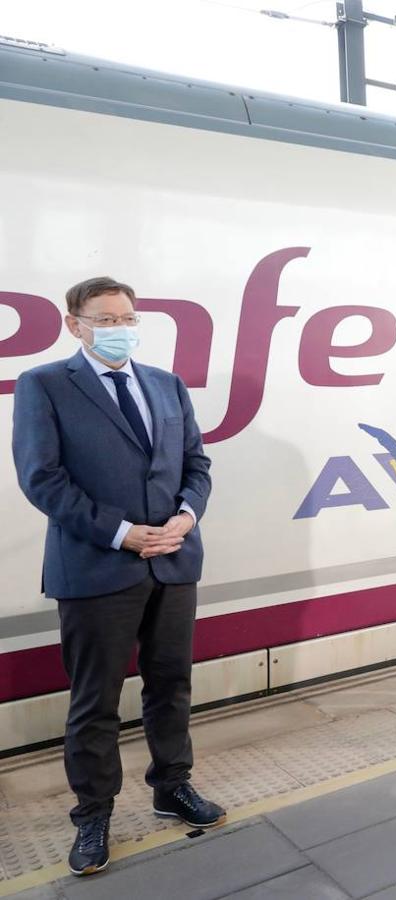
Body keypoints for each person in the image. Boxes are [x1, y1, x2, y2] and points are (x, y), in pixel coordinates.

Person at [12, 277, 222, 877]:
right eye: (104, 320)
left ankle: (171, 785)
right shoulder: (45, 385)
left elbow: (196, 465)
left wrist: (185, 516)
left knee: (170, 684)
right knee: (95, 700)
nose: (119, 328)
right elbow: (42, 479)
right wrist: (121, 532)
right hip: (97, 564)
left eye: (127, 317)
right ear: (73, 324)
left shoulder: (166, 384)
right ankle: (94, 812)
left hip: (174, 558)